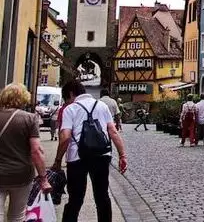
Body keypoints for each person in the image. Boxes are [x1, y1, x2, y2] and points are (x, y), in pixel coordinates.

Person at [53, 79, 127, 222]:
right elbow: (113, 131)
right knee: (102, 196)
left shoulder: (70, 109)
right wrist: (122, 155)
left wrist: (57, 160)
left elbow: (65, 137)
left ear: (70, 93)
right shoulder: (102, 106)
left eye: (66, 99)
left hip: (77, 158)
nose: (66, 102)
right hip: (101, 155)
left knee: (75, 198)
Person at [0, 83, 51, 222]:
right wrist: (43, 178)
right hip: (21, 175)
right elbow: (36, 151)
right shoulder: (30, 118)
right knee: (17, 216)